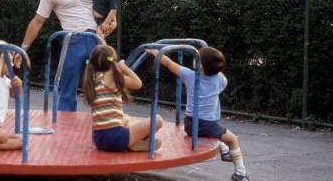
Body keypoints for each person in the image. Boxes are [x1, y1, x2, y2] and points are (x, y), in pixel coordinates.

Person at [146, 46, 249, 181]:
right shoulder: (221, 80)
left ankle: (230, 159)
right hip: (207, 125)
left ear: (200, 66)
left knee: (221, 137)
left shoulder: (190, 76)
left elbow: (170, 64)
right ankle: (240, 172)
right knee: (233, 140)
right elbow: (218, 72)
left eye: (197, 58)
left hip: (190, 124)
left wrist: (157, 53)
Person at [21, 0, 100, 111]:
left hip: (96, 40)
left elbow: (106, 11)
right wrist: (23, 49)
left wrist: (110, 25)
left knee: (104, 83)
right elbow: (37, 21)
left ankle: (105, 122)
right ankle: (65, 125)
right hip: (73, 41)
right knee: (67, 87)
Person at [83, 44, 163, 152]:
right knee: (158, 120)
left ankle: (133, 142)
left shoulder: (92, 78)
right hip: (115, 139)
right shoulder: (112, 78)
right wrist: (122, 67)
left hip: (99, 139)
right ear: (113, 61)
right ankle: (132, 143)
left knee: (125, 118)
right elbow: (138, 83)